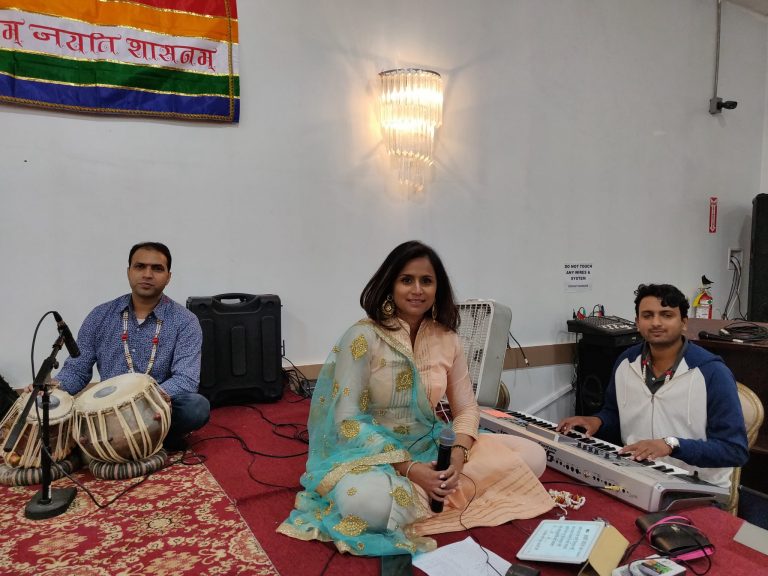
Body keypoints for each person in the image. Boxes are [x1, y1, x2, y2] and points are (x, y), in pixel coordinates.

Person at [278, 241, 554, 556]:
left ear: (438, 288)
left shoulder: (447, 338)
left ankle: (430, 493)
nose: (417, 289)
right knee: (366, 504)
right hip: (370, 455)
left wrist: (459, 456)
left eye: (426, 280)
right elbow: (347, 420)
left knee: (534, 456)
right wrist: (410, 469)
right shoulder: (364, 336)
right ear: (390, 284)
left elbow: (466, 408)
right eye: (406, 280)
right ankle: (431, 494)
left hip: (430, 447)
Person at [558, 283, 748, 489]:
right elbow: (614, 414)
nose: (656, 322)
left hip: (697, 485)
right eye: (647, 315)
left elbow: (734, 450)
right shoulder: (625, 362)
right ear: (637, 323)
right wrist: (597, 421)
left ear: (684, 322)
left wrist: (671, 445)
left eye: (666, 315)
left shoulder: (712, 372)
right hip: (634, 473)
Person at [49, 242, 210, 452]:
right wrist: (55, 389)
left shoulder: (185, 321)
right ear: (129, 272)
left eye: (157, 268)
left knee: (196, 407)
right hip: (107, 408)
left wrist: (140, 402)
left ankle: (126, 437)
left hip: (156, 406)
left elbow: (186, 380)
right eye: (140, 266)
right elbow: (77, 370)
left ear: (168, 277)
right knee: (52, 407)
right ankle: (151, 438)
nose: (147, 274)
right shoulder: (100, 315)